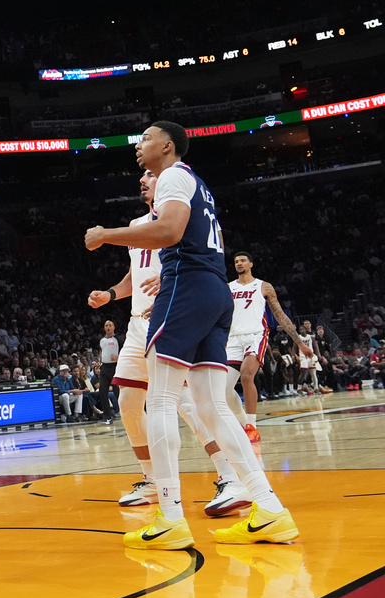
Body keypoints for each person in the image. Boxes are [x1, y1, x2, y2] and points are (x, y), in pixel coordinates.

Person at [85, 121, 298, 549]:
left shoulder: (175, 176)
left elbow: (169, 232)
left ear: (167, 146)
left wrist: (106, 235)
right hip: (213, 292)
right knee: (209, 403)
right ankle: (269, 506)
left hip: (186, 286)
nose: (138, 146)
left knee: (161, 399)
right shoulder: (196, 184)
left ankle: (169, 515)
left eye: (145, 139)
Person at [87, 170, 251, 518]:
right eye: (141, 178)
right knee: (129, 402)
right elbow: (136, 275)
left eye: (150, 175)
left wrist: (174, 278)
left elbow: (196, 257)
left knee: (188, 403)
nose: (143, 180)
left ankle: (228, 475)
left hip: (173, 312)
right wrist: (112, 293)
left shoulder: (179, 216)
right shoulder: (136, 224)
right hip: (136, 323)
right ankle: (150, 479)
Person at [226, 251, 312, 442]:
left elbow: (280, 315)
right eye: (236, 262)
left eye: (242, 261)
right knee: (223, 389)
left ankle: (252, 426)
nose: (239, 264)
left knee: (247, 375)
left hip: (255, 336)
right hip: (233, 339)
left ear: (251, 264)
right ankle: (242, 423)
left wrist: (299, 343)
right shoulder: (228, 287)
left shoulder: (263, 286)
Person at [97, 320, 120, 423]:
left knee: (118, 392)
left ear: (114, 327)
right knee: (102, 392)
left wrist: (118, 358)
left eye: (110, 325)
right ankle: (107, 416)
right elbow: (102, 352)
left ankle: (126, 413)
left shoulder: (118, 339)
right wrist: (99, 362)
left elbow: (125, 351)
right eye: (106, 325)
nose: (108, 327)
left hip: (115, 367)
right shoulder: (102, 340)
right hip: (104, 367)